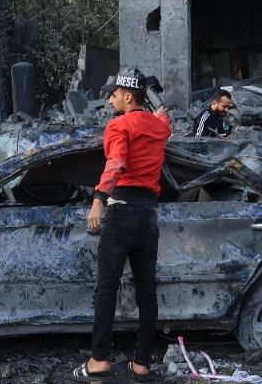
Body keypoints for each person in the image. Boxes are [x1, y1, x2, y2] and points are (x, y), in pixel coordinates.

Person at [73, 69, 171, 383]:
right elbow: (164, 125)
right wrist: (160, 116)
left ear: (128, 96)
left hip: (120, 212)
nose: (110, 100)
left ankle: (99, 360)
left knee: (106, 289)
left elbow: (116, 162)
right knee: (146, 293)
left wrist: (99, 198)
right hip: (148, 216)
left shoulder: (119, 125)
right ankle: (141, 364)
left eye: (113, 94)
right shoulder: (158, 127)